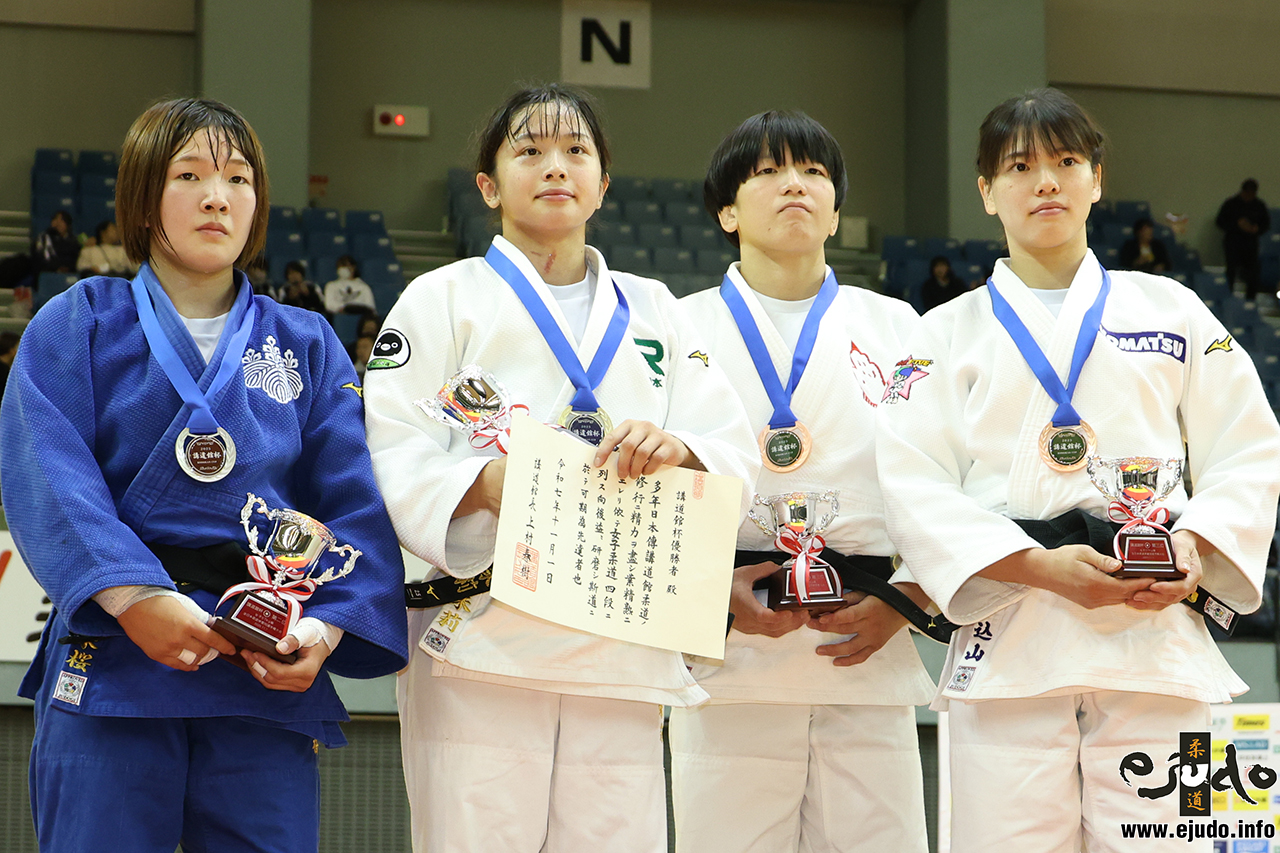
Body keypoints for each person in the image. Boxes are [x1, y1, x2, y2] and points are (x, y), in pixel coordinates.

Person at [876, 87, 1280, 852]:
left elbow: (1249, 444)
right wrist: (1037, 564)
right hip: (1009, 640)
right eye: (1020, 165)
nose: (1047, 181)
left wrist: (1196, 544)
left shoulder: (1175, 309)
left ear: (1097, 177)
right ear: (987, 190)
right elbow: (912, 481)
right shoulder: (938, 335)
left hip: (1160, 639)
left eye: (1066, 161)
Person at [0, 97, 408, 853]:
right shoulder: (79, 320)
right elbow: (47, 469)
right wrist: (136, 595)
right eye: (189, 174)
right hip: (116, 656)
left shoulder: (306, 342)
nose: (219, 195)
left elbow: (356, 501)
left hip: (261, 666)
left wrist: (320, 631)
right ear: (143, 197)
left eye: (239, 177)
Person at [363, 83, 757, 853]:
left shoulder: (657, 310)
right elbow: (393, 446)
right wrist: (488, 482)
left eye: (577, 151)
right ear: (488, 185)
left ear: (603, 184)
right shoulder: (439, 299)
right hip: (480, 631)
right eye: (530, 151)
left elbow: (728, 443)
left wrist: (679, 448)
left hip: (624, 635)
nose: (556, 167)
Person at [670, 110, 936, 853]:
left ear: (836, 208)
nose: (794, 183)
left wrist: (911, 597)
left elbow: (949, 480)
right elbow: (642, 487)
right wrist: (699, 600)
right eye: (767, 171)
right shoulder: (672, 330)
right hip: (726, 652)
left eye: (814, 171)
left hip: (868, 643)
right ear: (726, 210)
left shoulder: (901, 328)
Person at [1215, 178, 1270, 299]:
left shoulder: (1259, 206)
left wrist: (1256, 229)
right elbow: (1220, 222)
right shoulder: (1231, 204)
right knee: (1231, 272)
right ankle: (1227, 298)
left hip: (1250, 245)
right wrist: (1237, 225)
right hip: (1233, 243)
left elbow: (1265, 224)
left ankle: (1250, 300)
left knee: (1253, 273)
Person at [32, 210, 79, 274]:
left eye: (61, 221)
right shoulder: (44, 238)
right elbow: (41, 258)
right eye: (56, 220)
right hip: (48, 272)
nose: (58, 224)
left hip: (69, 272)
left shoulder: (74, 241)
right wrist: (56, 268)